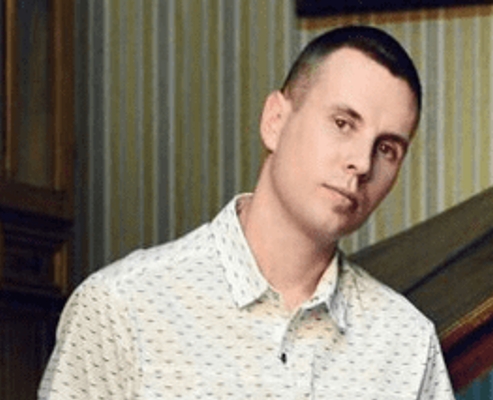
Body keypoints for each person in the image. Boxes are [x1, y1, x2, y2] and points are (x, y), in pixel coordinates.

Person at [39, 25, 455, 399]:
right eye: (343, 123)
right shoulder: (122, 307)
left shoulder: (408, 344)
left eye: (387, 149)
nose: (362, 163)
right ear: (275, 120)